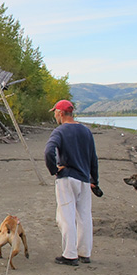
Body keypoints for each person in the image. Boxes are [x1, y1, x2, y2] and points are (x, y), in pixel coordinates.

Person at [44, 99, 99, 266]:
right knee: (84, 217)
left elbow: (48, 151)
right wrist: (94, 180)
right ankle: (84, 253)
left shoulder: (60, 131)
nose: (55, 115)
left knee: (66, 216)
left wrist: (54, 169)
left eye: (55, 112)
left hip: (67, 178)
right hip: (84, 179)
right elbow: (93, 158)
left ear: (61, 113)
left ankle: (70, 254)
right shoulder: (86, 131)